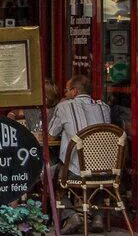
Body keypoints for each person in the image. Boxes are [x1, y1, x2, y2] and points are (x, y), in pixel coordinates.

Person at [51, 74, 111, 233]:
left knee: (48, 174)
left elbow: (50, 134)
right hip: (107, 171)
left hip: (77, 172)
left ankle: (71, 216)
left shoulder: (64, 106)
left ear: (75, 91)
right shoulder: (104, 107)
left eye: (66, 90)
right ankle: (98, 216)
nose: (64, 94)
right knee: (97, 173)